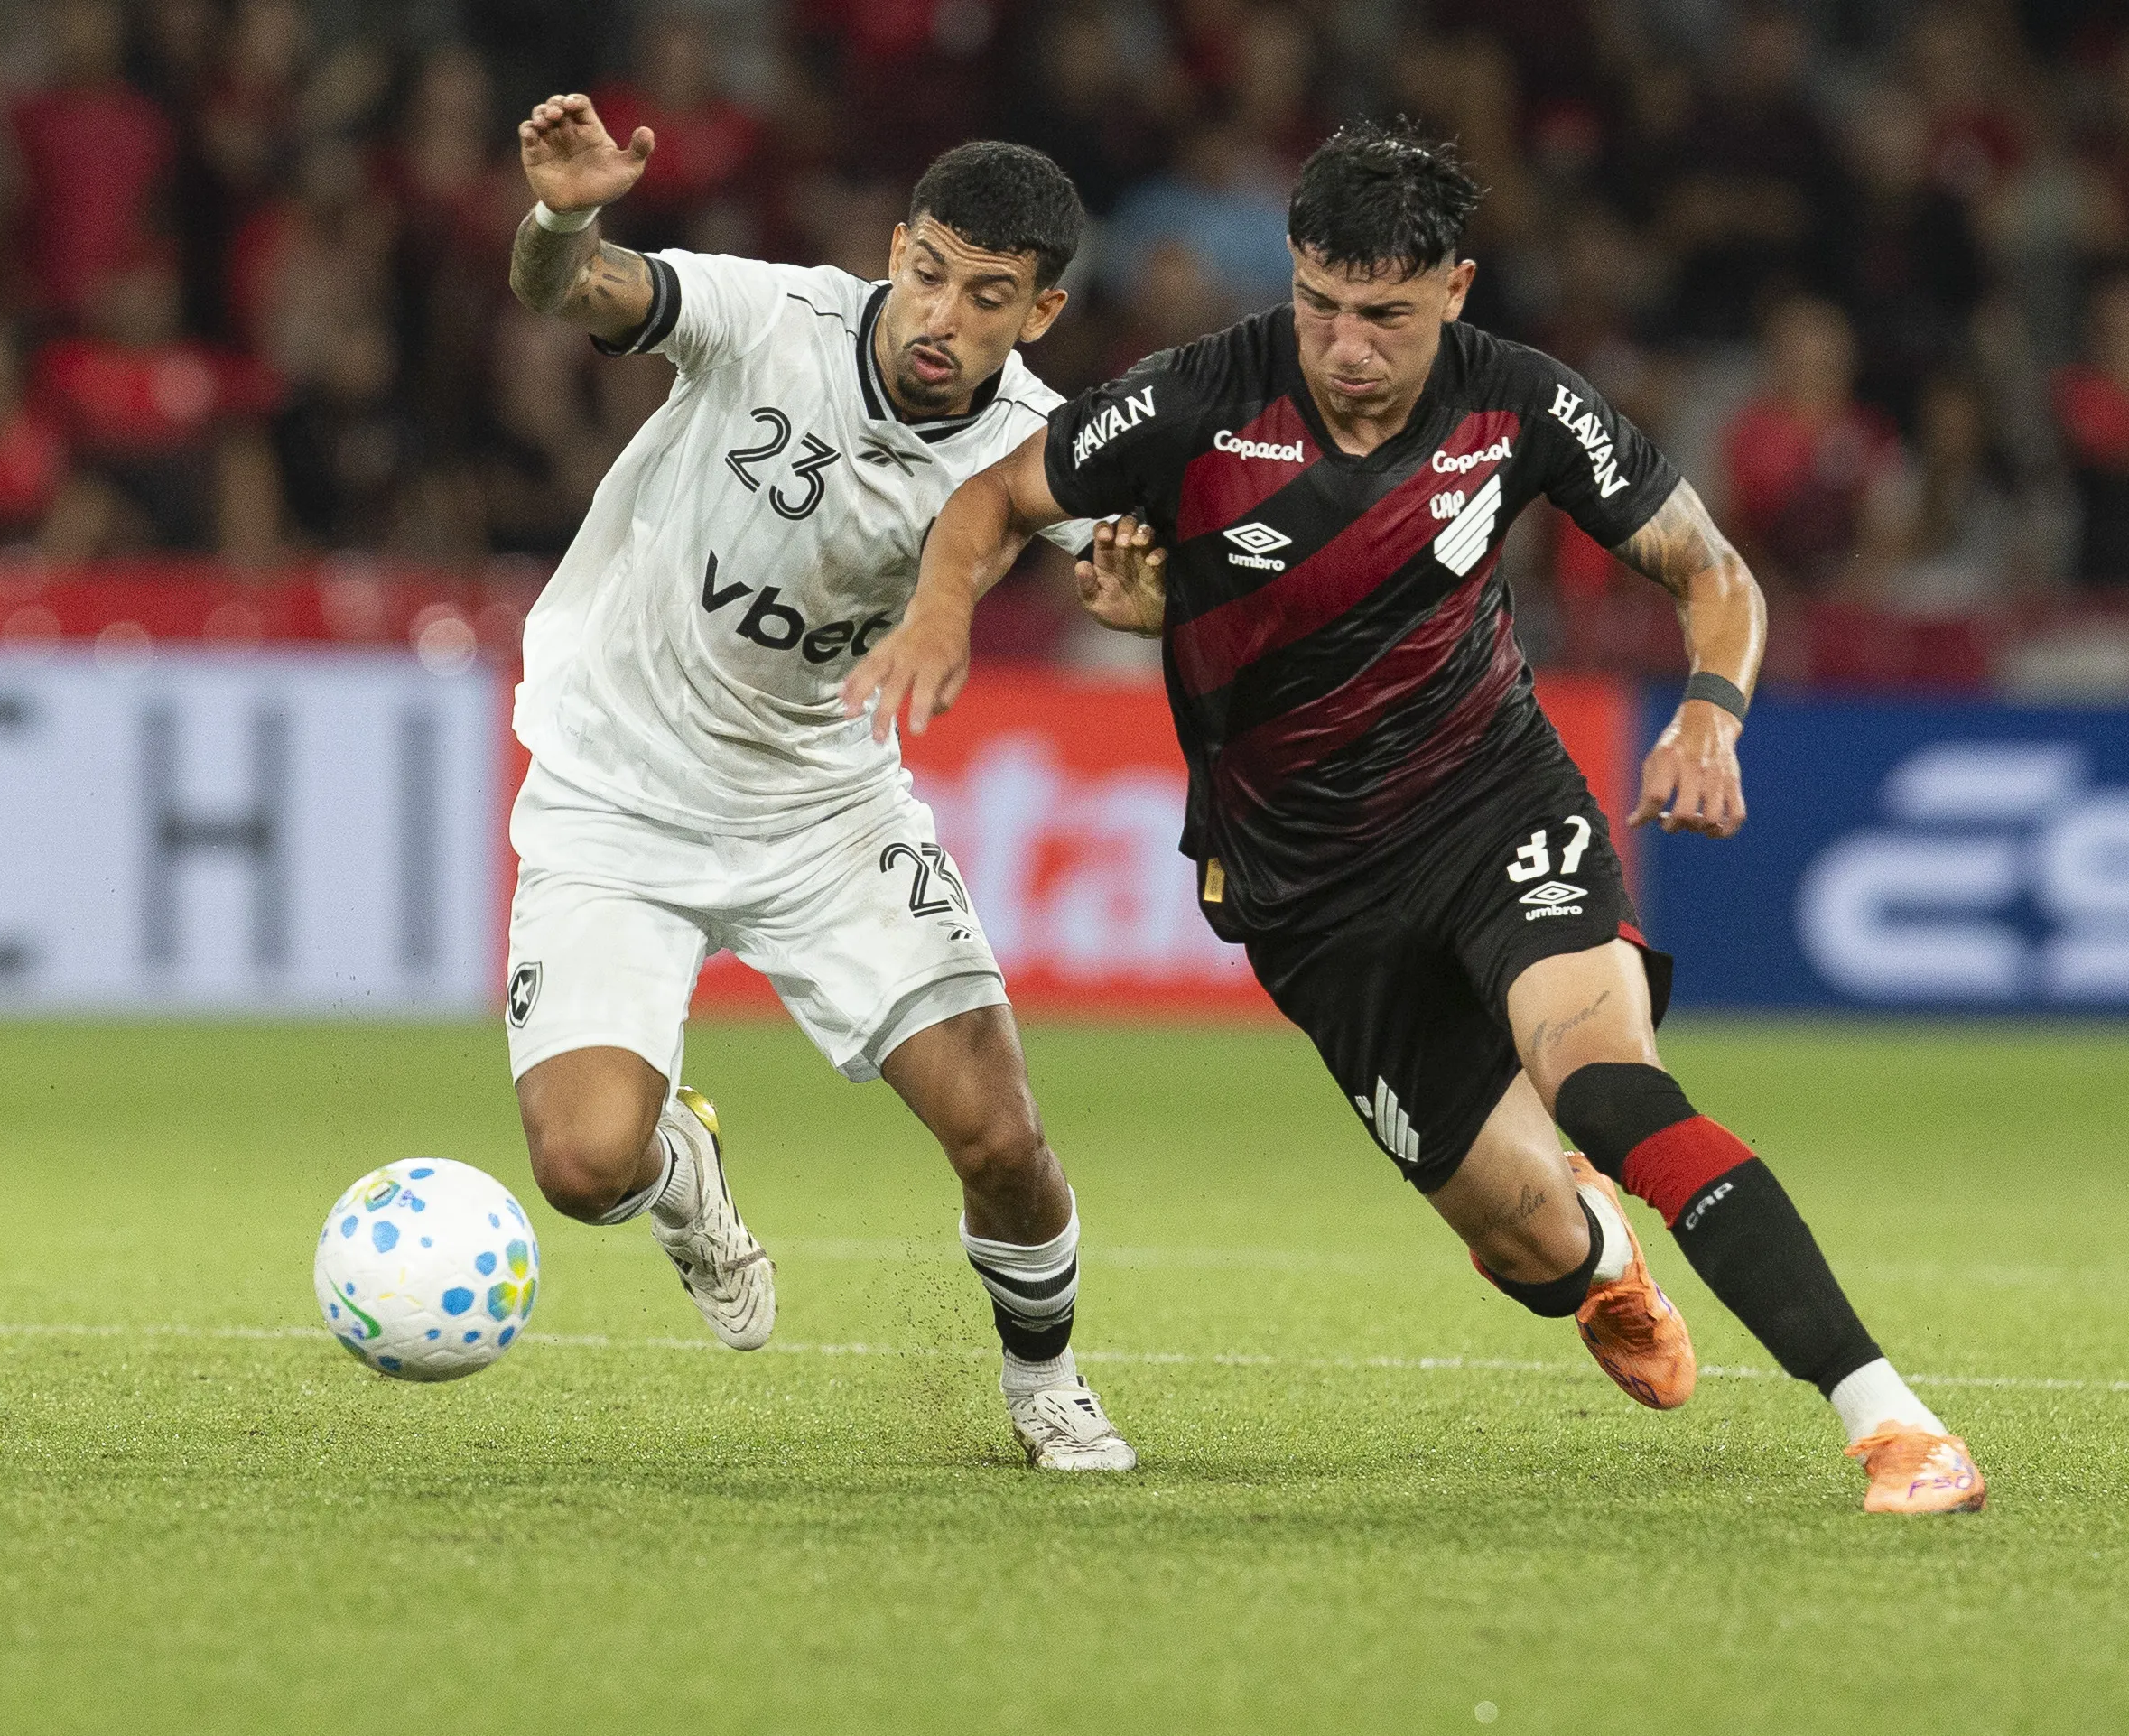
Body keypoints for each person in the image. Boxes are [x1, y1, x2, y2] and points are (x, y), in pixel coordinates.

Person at [849, 124, 1986, 1515]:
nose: (1344, 346)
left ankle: (1894, 1422)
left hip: (1491, 802)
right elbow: (992, 499)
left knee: (1613, 1087)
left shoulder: (1523, 405)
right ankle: (1595, 1259)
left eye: (1383, 315)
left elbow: (1715, 575)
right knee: (1532, 1249)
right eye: (1320, 304)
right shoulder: (1199, 395)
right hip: (1310, 898)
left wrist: (1709, 712)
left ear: (1454, 288)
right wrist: (946, 607)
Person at [503, 95, 1135, 1470]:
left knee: (1005, 1140)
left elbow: (1133, 572)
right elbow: (572, 287)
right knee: (582, 1166)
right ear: (894, 248)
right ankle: (681, 1167)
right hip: (618, 788)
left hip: (825, 815)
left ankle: (1048, 1388)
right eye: (926, 273)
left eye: (987, 297)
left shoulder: (1041, 438)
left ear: (1039, 312)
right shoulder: (766, 316)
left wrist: (1145, 595)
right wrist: (563, 215)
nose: (941, 317)